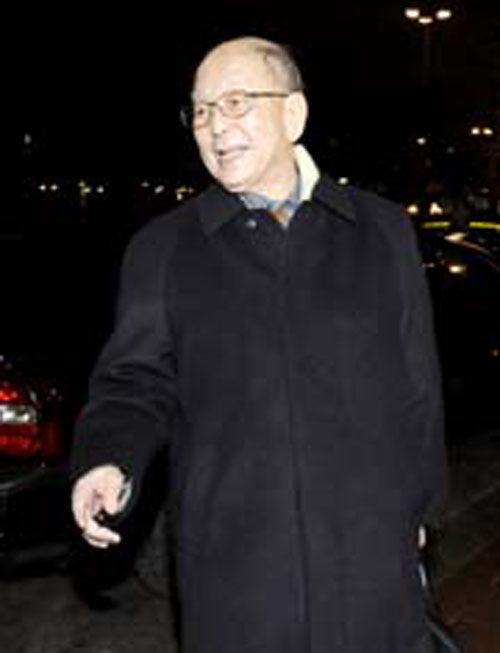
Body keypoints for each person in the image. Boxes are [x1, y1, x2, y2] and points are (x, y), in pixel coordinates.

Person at [71, 36, 446, 653]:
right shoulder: (164, 249)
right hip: (237, 575)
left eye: (237, 102)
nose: (216, 126)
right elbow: (132, 382)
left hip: (371, 565)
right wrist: (108, 458)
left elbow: (418, 385)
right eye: (201, 111)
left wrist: (421, 514)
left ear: (293, 113)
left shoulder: (380, 231)